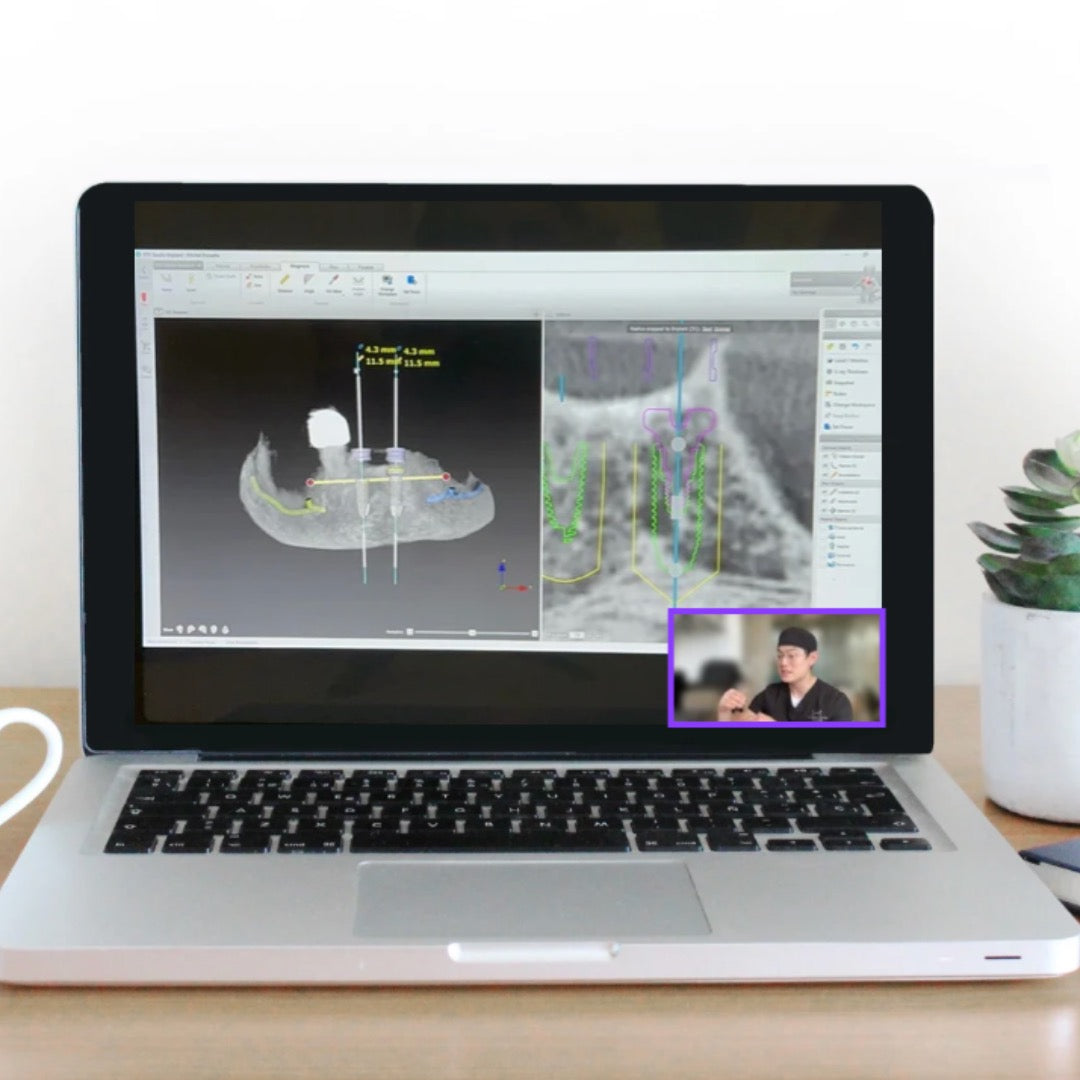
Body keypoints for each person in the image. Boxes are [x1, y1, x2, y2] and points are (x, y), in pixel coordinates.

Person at [716, 627, 853, 722]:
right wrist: (725, 710)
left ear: (812, 658)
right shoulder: (769, 695)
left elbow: (839, 749)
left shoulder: (836, 701)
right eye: (780, 655)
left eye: (791, 655)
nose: (783, 662)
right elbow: (742, 726)